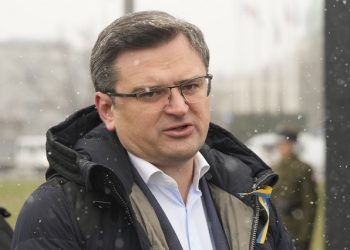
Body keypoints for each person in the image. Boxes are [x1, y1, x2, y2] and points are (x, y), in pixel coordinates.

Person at [12, 10, 293, 250]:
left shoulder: (250, 194)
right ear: (107, 109)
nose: (179, 107)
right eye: (151, 93)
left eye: (191, 86)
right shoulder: (56, 212)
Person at [272, 128, 318, 250]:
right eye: (279, 144)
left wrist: (304, 236)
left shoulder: (303, 169)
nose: (281, 147)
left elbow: (309, 205)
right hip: (277, 227)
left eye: (285, 144)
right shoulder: (272, 168)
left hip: (296, 227)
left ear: (293, 144)